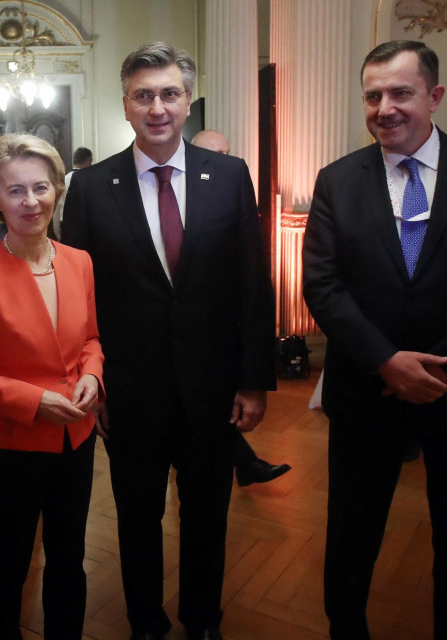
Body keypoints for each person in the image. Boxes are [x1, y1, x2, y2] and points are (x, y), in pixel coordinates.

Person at [62, 42, 276, 640]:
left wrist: (253, 379)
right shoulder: (90, 186)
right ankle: (145, 622)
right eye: (144, 96)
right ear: (126, 105)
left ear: (188, 102)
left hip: (214, 389)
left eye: (170, 94)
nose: (158, 108)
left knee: (208, 515)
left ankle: (204, 620)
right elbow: (81, 303)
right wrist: (95, 384)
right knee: (136, 519)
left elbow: (251, 282)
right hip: (131, 393)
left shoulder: (229, 176)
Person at [302, 40, 447, 639]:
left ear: (435, 96)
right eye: (373, 95)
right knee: (352, 532)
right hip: (364, 391)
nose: (384, 107)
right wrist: (386, 360)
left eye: (400, 93)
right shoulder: (338, 180)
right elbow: (323, 284)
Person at [0, 132, 104, 640]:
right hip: (9, 448)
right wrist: (35, 401)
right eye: (15, 191)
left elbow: (91, 340)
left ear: (56, 189)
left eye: (41, 187)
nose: (30, 201)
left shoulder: (79, 261)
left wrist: (93, 376)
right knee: (8, 568)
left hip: (75, 441)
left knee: (69, 560)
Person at [191, 128, 291, 487]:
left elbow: (253, 281)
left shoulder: (235, 190)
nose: (224, 161)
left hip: (226, 343)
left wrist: (255, 378)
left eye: (227, 152)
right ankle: (247, 465)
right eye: (215, 153)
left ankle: (245, 465)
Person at [52, 146, 93, 240]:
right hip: (87, 226)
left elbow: (57, 208)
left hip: (65, 224)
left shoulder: (63, 180)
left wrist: (57, 232)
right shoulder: (91, 180)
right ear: (89, 161)